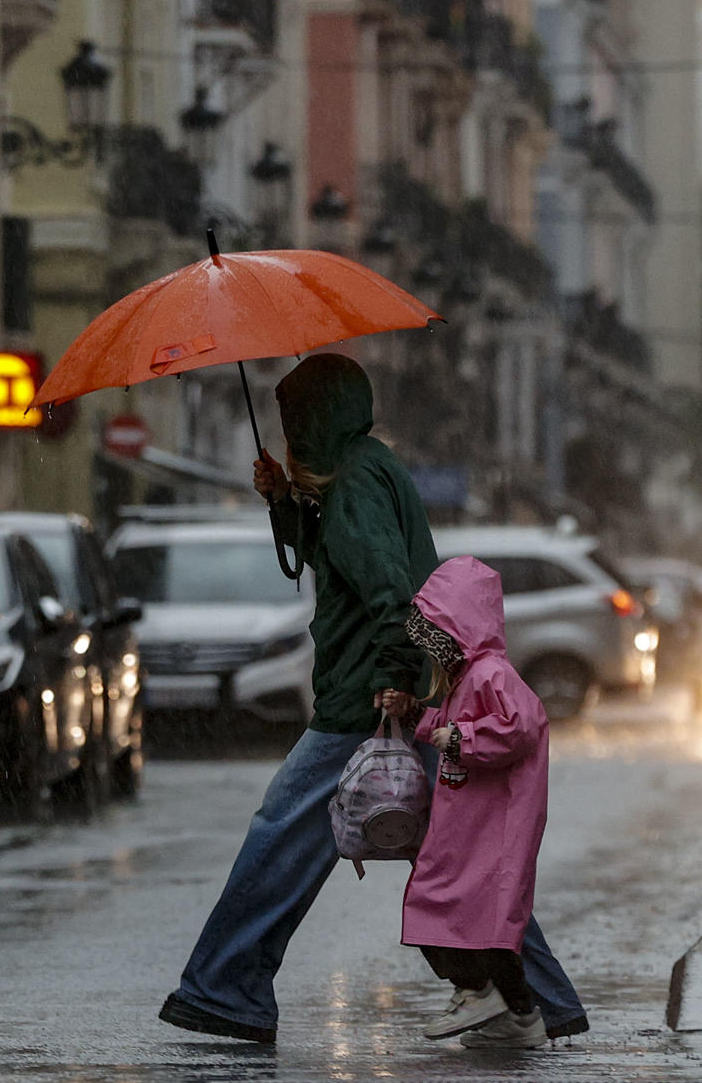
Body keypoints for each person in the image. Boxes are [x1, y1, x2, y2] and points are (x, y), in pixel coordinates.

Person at [158, 354, 588, 1043]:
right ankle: (535, 995)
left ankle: (226, 985)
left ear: (315, 422)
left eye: (294, 422)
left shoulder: (355, 482)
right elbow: (343, 556)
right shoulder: (368, 468)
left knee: (280, 834)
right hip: (387, 690)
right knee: (457, 851)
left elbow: (389, 592)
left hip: (364, 701)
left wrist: (391, 686)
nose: (290, 435)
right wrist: (283, 502)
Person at [379, 556, 551, 1048]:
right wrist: (418, 714)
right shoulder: (466, 679)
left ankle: (479, 992)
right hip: (471, 824)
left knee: (472, 920)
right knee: (466, 918)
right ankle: (516, 1016)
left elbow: (521, 726)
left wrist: (456, 735)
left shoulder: (488, 673)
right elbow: (459, 727)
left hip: (491, 827)